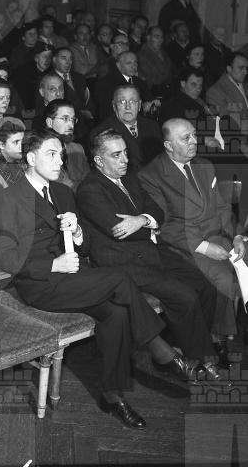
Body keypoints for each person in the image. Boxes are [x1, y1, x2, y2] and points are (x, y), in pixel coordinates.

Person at [0, 129, 197, 429]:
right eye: (51, 154)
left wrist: (77, 232)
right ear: (31, 158)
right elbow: (6, 259)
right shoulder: (7, 198)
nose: (59, 161)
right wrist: (54, 264)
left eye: (61, 155)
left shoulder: (63, 193)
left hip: (75, 278)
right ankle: (163, 353)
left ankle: (113, 396)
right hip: (40, 285)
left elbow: (85, 247)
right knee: (120, 279)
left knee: (117, 313)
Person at [76, 130, 221, 378]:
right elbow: (119, 231)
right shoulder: (89, 189)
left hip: (150, 250)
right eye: (116, 155)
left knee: (206, 286)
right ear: (99, 160)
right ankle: (201, 359)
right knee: (185, 296)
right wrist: (148, 224)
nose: (125, 159)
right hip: (121, 262)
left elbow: (157, 212)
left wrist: (141, 220)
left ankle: (189, 346)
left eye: (125, 152)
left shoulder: (130, 179)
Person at [138, 118, 245, 367]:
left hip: (218, 235)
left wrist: (237, 235)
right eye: (186, 138)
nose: (194, 141)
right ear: (168, 145)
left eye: (194, 135)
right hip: (183, 245)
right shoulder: (151, 176)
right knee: (222, 277)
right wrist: (205, 248)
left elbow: (222, 207)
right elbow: (164, 224)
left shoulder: (204, 166)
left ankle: (231, 330)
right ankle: (215, 340)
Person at [92, 85, 163, 175]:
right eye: (122, 102)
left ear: (139, 105)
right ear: (114, 106)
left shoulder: (152, 125)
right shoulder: (100, 132)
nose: (128, 107)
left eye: (132, 101)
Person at [44, 100, 90, 190]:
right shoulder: (42, 151)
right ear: (49, 122)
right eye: (65, 119)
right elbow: (62, 186)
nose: (71, 125)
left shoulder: (77, 148)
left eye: (73, 120)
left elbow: (89, 180)